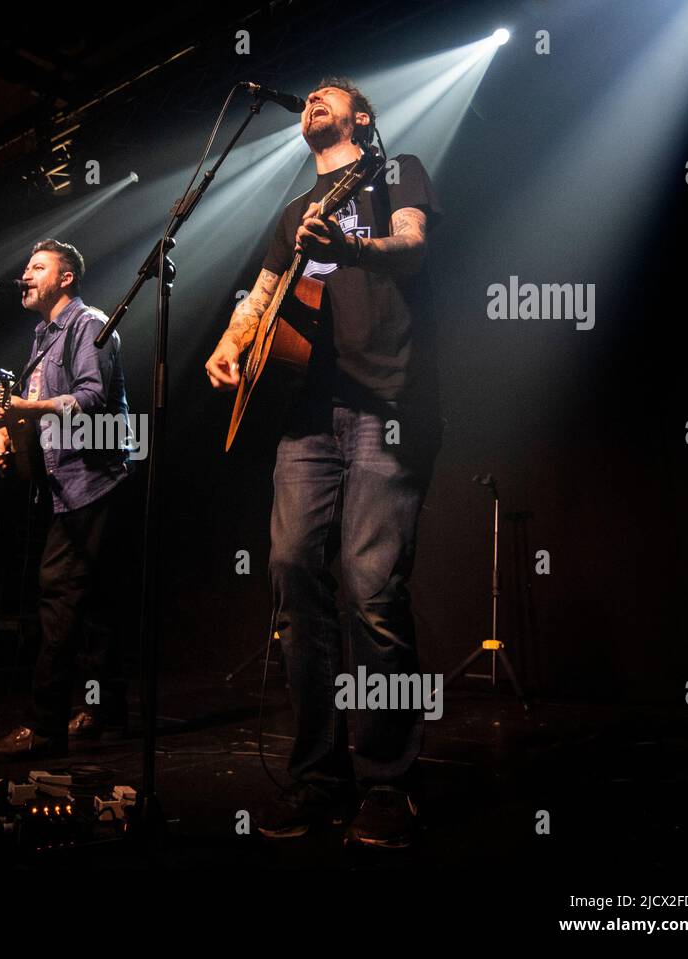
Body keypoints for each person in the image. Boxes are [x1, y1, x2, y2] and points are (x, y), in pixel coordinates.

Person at [204, 79, 444, 847]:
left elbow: (412, 245)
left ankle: (387, 778)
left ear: (360, 117)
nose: (311, 101)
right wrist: (230, 343)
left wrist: (352, 248)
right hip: (308, 414)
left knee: (374, 589)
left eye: (327, 97)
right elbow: (263, 294)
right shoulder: (290, 215)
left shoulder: (393, 171)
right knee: (291, 574)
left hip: (390, 407)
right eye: (305, 98)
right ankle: (317, 773)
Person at [0, 239, 134, 761]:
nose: (25, 274)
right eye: (25, 266)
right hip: (66, 484)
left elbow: (90, 400)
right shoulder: (42, 336)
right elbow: (34, 416)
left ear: (66, 278)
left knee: (59, 594)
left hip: (95, 480)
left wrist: (25, 409)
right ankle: (104, 713)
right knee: (99, 603)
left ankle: (44, 730)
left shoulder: (89, 324)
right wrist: (6, 435)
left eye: (37, 267)